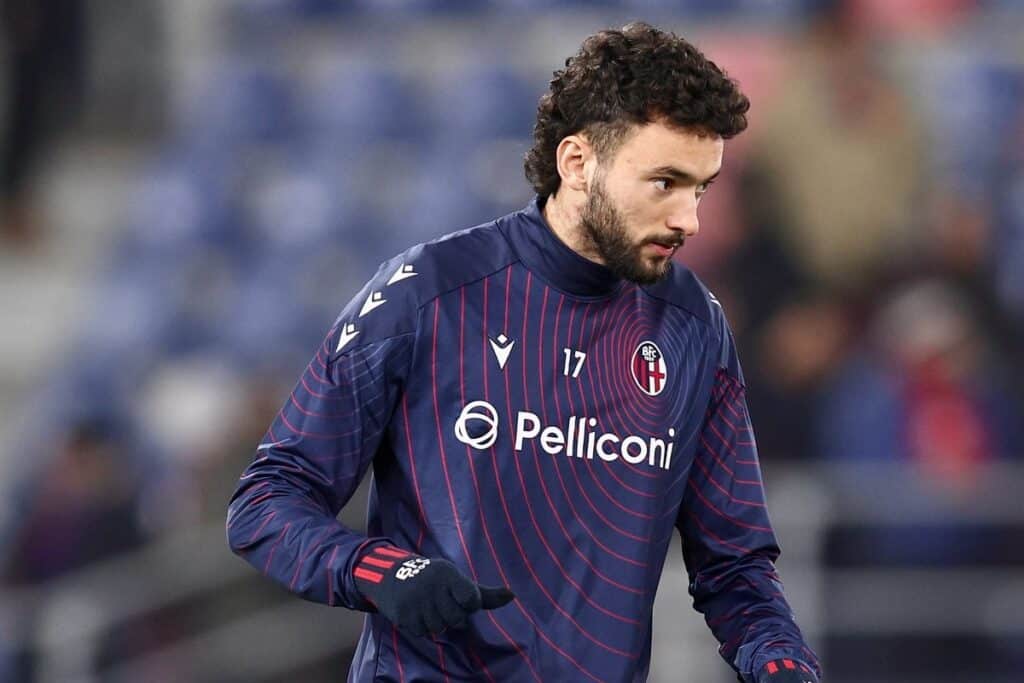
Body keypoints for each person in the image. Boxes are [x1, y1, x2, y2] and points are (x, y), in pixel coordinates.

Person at [227, 23, 821, 683]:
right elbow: (266, 502)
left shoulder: (694, 328)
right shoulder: (429, 292)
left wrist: (781, 658)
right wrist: (380, 569)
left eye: (701, 188)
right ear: (577, 163)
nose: (690, 220)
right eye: (664, 183)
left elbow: (735, 565)